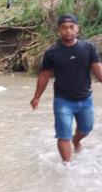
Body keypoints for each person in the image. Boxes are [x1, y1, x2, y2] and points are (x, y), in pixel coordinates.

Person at [30, 14, 102, 164]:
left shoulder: (88, 48)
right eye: (64, 28)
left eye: (71, 27)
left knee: (86, 128)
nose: (68, 31)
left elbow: (97, 70)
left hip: (85, 99)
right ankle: (67, 166)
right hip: (63, 100)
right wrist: (36, 97)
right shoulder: (52, 52)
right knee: (63, 135)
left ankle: (76, 141)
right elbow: (44, 75)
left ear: (77, 29)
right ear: (59, 30)